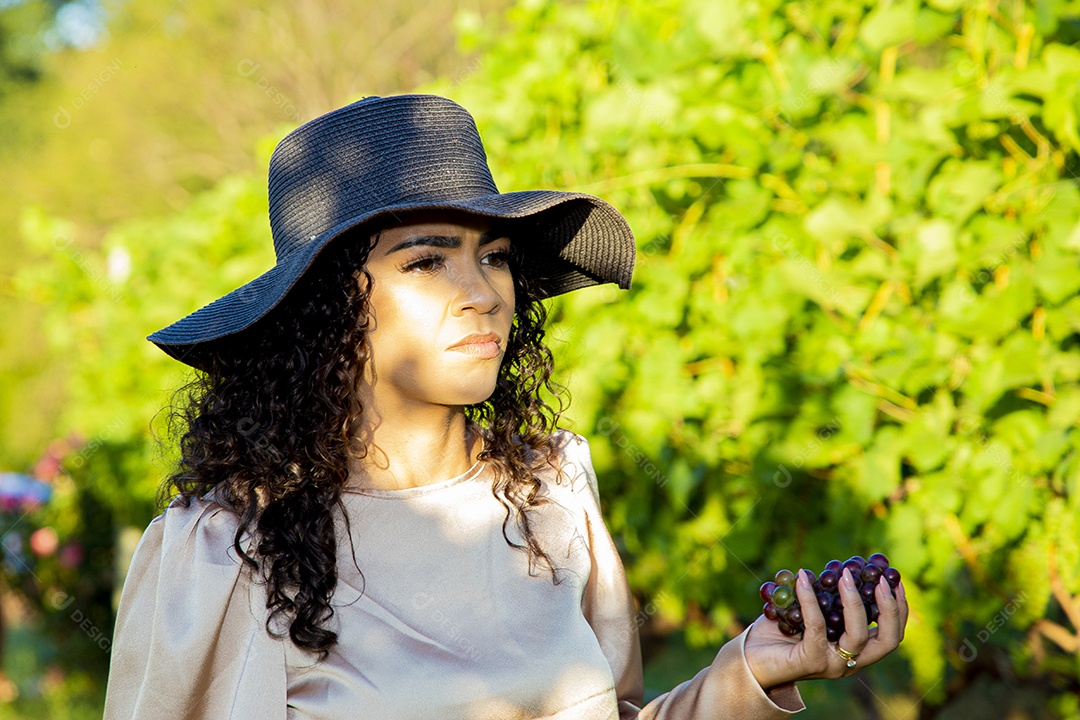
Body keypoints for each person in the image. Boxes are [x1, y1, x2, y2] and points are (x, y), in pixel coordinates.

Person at [103, 94, 908, 719]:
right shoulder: (223, 552)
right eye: (426, 261)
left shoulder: (551, 492)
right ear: (330, 310)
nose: (482, 292)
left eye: (492, 256)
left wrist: (748, 672)